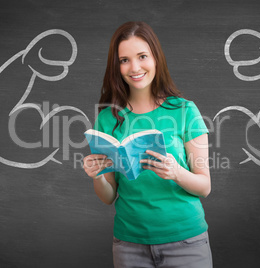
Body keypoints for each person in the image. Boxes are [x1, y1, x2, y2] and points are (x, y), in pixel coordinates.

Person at [83, 21, 212, 268]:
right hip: (129, 245)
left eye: (142, 56)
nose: (135, 67)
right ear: (116, 66)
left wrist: (176, 172)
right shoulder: (107, 118)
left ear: (156, 59)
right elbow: (109, 197)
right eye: (124, 60)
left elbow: (204, 186)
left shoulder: (184, 110)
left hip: (186, 242)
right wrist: (97, 176)